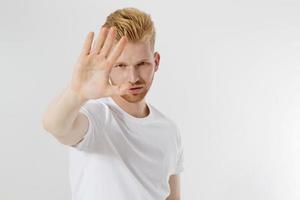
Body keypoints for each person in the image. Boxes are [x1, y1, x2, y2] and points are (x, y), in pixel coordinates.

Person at [42, 7, 184, 200]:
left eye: (142, 64)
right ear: (107, 66)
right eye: (121, 65)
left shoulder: (169, 130)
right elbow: (55, 126)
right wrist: (77, 93)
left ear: (156, 61)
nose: (133, 77)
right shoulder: (95, 117)